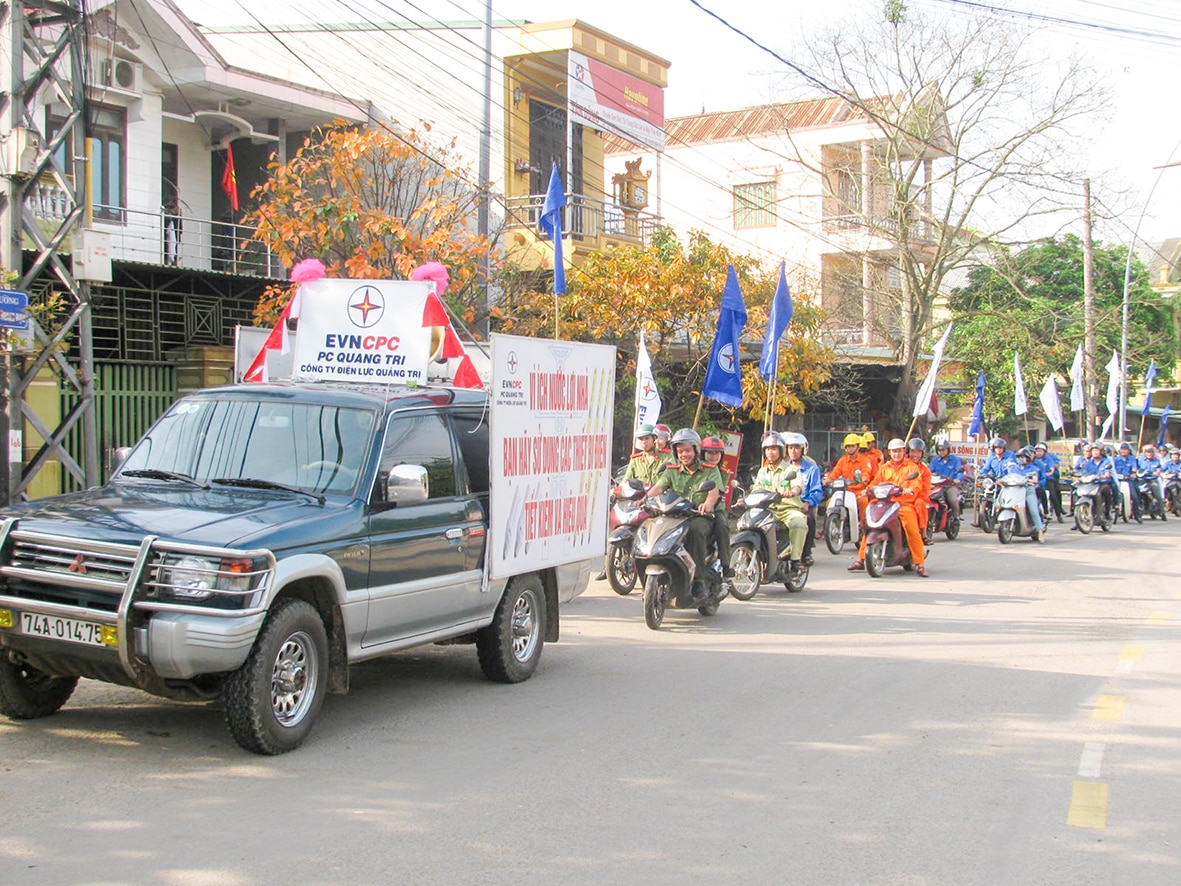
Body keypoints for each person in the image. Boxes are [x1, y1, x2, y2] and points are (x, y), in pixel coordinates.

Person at [652, 428, 724, 598]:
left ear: (696, 451)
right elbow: (659, 487)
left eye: (687, 450)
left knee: (695, 531)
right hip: (674, 516)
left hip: (698, 516)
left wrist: (707, 504)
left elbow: (713, 490)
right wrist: (642, 500)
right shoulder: (672, 470)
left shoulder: (709, 470)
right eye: (680, 451)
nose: (684, 454)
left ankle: (698, 580)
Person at [848, 438, 929, 577]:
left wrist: (909, 490)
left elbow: (916, 484)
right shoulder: (884, 467)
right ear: (889, 453)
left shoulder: (912, 467)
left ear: (904, 451)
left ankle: (919, 563)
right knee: (868, 525)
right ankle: (861, 559)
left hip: (903, 504)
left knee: (911, 528)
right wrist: (867, 490)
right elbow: (876, 482)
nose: (897, 454)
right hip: (885, 502)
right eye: (894, 451)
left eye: (899, 451)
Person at [751, 431, 809, 575]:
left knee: (799, 522)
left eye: (774, 449)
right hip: (767, 509)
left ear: (781, 451)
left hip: (787, 509)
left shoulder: (791, 470)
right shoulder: (762, 472)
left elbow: (797, 485)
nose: (770, 452)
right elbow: (757, 489)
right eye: (768, 449)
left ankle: (796, 560)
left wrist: (793, 491)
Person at [783, 432, 823, 567]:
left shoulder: (812, 468)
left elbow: (817, 491)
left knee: (810, 519)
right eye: (790, 448)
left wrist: (808, 503)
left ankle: (806, 553)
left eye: (796, 448)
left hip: (804, 503)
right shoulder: (783, 467)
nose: (793, 451)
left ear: (803, 449)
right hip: (786, 504)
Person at [701, 435, 735, 578]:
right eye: (710, 453)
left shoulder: (722, 473)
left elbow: (716, 494)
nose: (713, 456)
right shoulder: (697, 468)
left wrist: (708, 504)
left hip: (715, 508)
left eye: (716, 453)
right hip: (693, 506)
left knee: (722, 526)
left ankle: (726, 565)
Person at [1074, 442, 1116, 526]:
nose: (1095, 452)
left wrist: (1104, 475)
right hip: (1091, 483)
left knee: (1106, 492)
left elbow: (1107, 472)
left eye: (1097, 450)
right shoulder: (1088, 462)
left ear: (1101, 452)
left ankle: (1107, 513)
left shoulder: (1106, 461)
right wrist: (1078, 478)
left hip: (1102, 484)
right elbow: (1084, 472)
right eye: (1093, 451)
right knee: (1077, 492)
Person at [1014, 446, 1047, 541]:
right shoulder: (1014, 468)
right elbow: (1009, 476)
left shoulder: (1032, 468)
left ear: (1027, 458)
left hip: (1028, 491)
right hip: (1016, 491)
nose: (1020, 459)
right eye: (1019, 457)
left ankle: (1040, 531)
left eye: (1022, 457)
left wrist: (1029, 480)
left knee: (1033, 510)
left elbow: (1035, 479)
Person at [622, 424, 668, 489]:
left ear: (654, 439)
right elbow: (626, 480)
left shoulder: (667, 457)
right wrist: (615, 492)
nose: (644, 442)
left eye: (647, 438)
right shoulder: (635, 460)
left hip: (661, 497)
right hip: (641, 497)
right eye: (641, 439)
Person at [929, 440, 965, 521]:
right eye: (939, 450)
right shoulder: (934, 461)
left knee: (952, 499)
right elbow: (929, 472)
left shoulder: (955, 460)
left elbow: (960, 471)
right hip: (937, 486)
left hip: (950, 486)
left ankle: (956, 518)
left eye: (943, 450)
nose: (941, 452)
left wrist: (958, 479)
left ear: (948, 450)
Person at [1032, 442, 1065, 522]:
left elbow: (1051, 471)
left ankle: (1058, 514)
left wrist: (1043, 474)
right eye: (1037, 451)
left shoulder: (1049, 459)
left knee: (1053, 496)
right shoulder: (1033, 460)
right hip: (1037, 481)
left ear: (1045, 452)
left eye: (1041, 451)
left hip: (1049, 479)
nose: (1038, 453)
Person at [1111, 441, 1142, 523]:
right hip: (1117, 481)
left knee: (1135, 496)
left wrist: (1133, 473)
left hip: (1129, 480)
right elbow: (1111, 468)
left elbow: (1134, 468)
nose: (1123, 451)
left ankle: (1137, 514)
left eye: (1125, 449)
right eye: (1122, 449)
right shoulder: (1115, 459)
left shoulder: (1132, 459)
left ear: (1129, 451)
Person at [907, 437, 933, 532]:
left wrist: (914, 496)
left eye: (918, 452)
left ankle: (923, 532)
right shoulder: (904, 466)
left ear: (922, 454)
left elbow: (926, 488)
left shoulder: (924, 470)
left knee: (920, 504)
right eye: (913, 451)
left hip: (917, 497)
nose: (915, 455)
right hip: (902, 496)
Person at [1138, 443, 1166, 520]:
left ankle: (1162, 513)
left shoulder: (1156, 460)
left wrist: (1156, 472)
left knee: (1158, 496)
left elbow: (1159, 469)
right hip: (1143, 480)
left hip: (1153, 480)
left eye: (1151, 452)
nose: (1149, 454)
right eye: (1147, 452)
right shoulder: (1140, 460)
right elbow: (1136, 469)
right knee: (1137, 494)